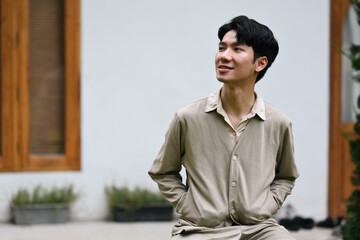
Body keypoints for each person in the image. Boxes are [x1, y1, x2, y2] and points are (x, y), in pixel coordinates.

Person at [149, 15, 299, 240]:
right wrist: (189, 205)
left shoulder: (278, 122)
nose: (224, 56)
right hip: (200, 230)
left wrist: (267, 204)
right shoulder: (188, 118)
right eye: (221, 48)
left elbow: (286, 176)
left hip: (259, 230)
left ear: (260, 63)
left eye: (237, 49)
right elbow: (163, 172)